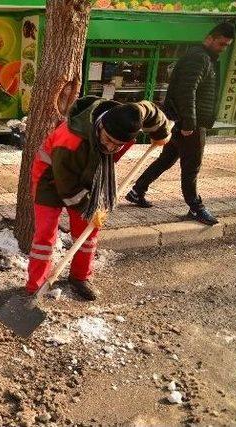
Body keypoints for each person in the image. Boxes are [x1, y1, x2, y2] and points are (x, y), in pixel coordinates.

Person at [27, 96, 173, 300]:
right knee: (45, 234)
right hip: (50, 178)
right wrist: (90, 207)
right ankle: (37, 285)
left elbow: (153, 112)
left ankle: (80, 277)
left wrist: (161, 133)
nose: (111, 148)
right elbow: (68, 189)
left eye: (118, 145)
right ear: (100, 125)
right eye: (107, 140)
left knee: (89, 229)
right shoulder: (70, 141)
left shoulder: (132, 114)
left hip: (90, 173)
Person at [125, 22, 235, 225]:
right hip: (189, 124)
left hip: (180, 120)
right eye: (221, 44)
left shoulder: (202, 58)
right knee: (192, 166)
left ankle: (137, 190)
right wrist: (189, 124)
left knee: (166, 159)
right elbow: (187, 92)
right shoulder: (199, 58)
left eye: (226, 46)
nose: (223, 48)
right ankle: (195, 207)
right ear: (209, 38)